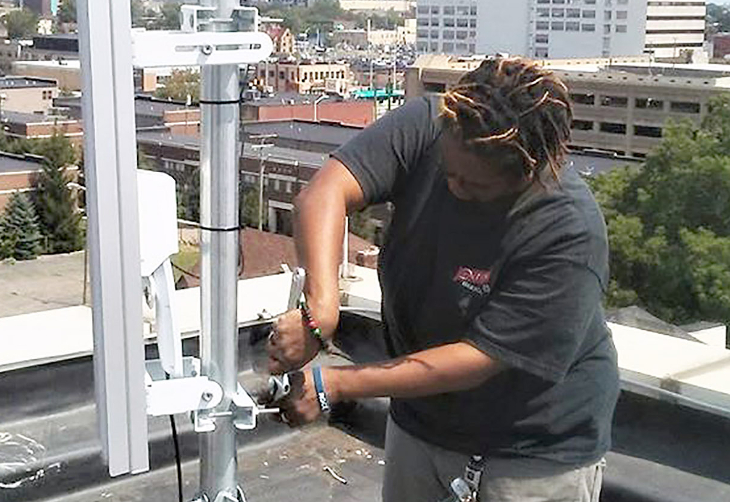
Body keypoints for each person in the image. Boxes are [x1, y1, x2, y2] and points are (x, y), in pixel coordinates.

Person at [265, 57, 620, 502]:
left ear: (526, 173)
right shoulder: (432, 123)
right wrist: (320, 310)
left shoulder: (568, 232)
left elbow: (478, 359)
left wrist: (335, 384)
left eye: (473, 184)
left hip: (529, 452)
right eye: (447, 170)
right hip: (420, 420)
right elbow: (324, 193)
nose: (453, 187)